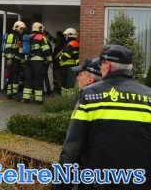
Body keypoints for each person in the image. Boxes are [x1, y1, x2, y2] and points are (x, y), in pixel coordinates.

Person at [56, 45, 151, 189]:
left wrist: (61, 186)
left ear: (107, 64)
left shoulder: (89, 95)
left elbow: (72, 148)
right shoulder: (148, 96)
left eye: (101, 64)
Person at [22, 22, 52, 104]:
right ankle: (38, 100)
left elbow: (22, 49)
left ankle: (26, 98)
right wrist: (50, 61)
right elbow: (46, 50)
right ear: (40, 29)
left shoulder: (28, 37)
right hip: (38, 62)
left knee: (28, 79)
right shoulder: (41, 37)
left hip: (28, 61)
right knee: (38, 80)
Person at [4, 21, 26, 100]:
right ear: (17, 27)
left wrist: (22, 61)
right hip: (13, 61)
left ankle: (10, 94)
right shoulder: (11, 36)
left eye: (23, 29)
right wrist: (9, 59)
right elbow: (8, 48)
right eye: (21, 29)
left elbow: (19, 50)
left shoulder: (17, 36)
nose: (22, 30)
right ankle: (14, 94)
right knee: (14, 78)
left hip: (16, 60)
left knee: (13, 77)